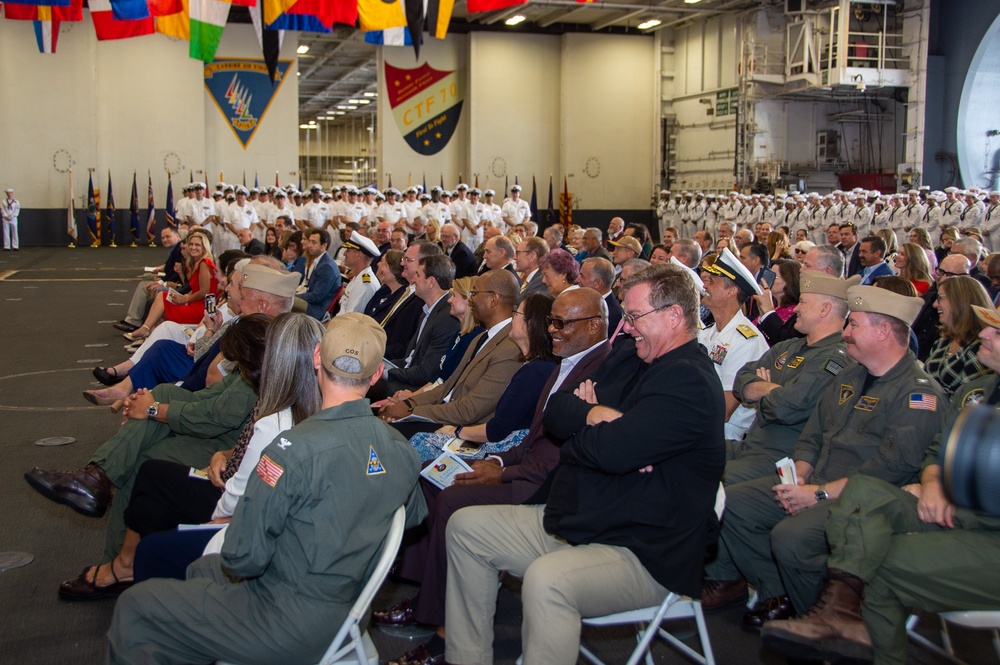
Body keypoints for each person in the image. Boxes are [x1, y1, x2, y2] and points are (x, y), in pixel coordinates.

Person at [442, 264, 725, 665]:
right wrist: (596, 419)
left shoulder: (689, 381)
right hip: (589, 514)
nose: (625, 328)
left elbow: (607, 453)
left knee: (547, 582)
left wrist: (596, 429)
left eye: (633, 317)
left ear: (674, 316)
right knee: (467, 528)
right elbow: (558, 416)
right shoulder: (630, 354)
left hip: (645, 548)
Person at [106, 313, 427, 665]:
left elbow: (243, 557)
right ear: (378, 372)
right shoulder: (401, 449)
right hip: (350, 610)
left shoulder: (290, 450)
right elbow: (408, 518)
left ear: (317, 357)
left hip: (285, 617)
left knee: (136, 607)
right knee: (200, 573)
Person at [378, 289, 609, 665]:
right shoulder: (559, 364)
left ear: (595, 324)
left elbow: (551, 452)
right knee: (441, 479)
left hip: (549, 487)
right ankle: (428, 599)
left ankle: (437, 618)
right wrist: (500, 464)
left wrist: (500, 469)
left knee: (452, 495)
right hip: (525, 465)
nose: (554, 330)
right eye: (551, 321)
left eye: (562, 323)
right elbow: (533, 438)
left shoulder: (591, 369)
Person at [762, 305, 1000, 664]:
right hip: (951, 506)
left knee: (872, 560)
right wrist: (933, 480)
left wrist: (955, 488)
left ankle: (851, 629)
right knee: (863, 492)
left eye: (997, 332)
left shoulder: (922, 390)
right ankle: (838, 618)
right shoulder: (977, 391)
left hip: (988, 529)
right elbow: (938, 450)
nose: (982, 334)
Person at [702, 286, 947, 632]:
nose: (845, 332)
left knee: (791, 537)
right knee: (736, 504)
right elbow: (813, 434)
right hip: (815, 481)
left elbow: (890, 469)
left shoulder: (919, 394)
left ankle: (822, 622)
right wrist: (800, 475)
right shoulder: (852, 374)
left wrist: (819, 493)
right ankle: (783, 595)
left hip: (860, 500)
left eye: (854, 325)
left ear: (883, 332)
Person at [720, 271, 855, 486]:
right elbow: (741, 381)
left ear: (825, 309)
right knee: (682, 451)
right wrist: (774, 389)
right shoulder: (789, 346)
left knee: (702, 479)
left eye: (802, 302)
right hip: (749, 446)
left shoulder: (834, 360)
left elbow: (786, 408)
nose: (797, 309)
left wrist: (761, 391)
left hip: (780, 459)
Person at [378, 270, 522, 437]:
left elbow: (470, 410)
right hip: (444, 414)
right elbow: (449, 386)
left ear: (494, 299)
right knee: (380, 421)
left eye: (474, 293)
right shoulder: (482, 337)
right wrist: (409, 403)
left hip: (459, 428)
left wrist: (412, 412)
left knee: (384, 432)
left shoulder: (510, 348)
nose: (471, 300)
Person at [699, 248, 769, 440]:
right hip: (701, 422)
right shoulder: (707, 333)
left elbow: (724, 409)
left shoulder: (746, 341)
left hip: (724, 435)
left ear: (732, 291)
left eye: (712, 282)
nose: (705, 286)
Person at [382, 254, 461, 394]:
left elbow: (426, 373)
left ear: (431, 282)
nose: (412, 280)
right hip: (407, 378)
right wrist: (381, 367)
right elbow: (410, 359)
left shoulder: (447, 318)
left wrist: (387, 373)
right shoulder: (427, 311)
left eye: (417, 275)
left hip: (415, 390)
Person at [126, 232, 219, 340]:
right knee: (161, 305)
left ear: (204, 247)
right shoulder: (195, 263)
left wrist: (185, 299)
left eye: (197, 245)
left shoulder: (204, 263)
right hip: (196, 303)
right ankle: (149, 341)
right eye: (191, 244)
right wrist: (181, 298)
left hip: (202, 309)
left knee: (162, 298)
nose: (193, 247)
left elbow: (204, 292)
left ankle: (146, 330)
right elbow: (194, 289)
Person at [924, 275, 994, 396]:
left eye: (940, 298)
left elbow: (968, 401)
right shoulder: (944, 339)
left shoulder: (980, 348)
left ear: (960, 301)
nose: (935, 304)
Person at [113, 226, 185, 333]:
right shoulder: (175, 249)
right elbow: (172, 267)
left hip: (177, 285)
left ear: (177, 236)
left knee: (144, 286)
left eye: (168, 237)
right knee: (147, 278)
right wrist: (161, 271)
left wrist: (162, 282)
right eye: (163, 238)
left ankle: (134, 321)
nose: (165, 240)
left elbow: (178, 273)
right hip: (171, 280)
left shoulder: (180, 249)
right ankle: (137, 320)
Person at [365, 249, 424, 359]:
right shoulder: (385, 290)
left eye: (385, 264)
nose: (378, 264)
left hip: (384, 353)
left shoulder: (413, 298)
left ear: (394, 272)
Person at [294, 228, 342, 321]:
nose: (309, 245)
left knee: (287, 301)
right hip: (314, 304)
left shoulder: (326, 266)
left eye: (314, 242)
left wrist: (294, 296)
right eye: (310, 241)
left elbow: (317, 296)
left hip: (317, 309)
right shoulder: (320, 261)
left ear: (323, 245)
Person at [338, 229, 383, 315]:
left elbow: (350, 318)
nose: (344, 254)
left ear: (358, 255)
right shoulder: (358, 277)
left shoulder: (365, 284)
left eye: (348, 251)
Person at [577, 257, 623, 336]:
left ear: (598, 283)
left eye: (582, 276)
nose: (577, 279)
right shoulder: (583, 299)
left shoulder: (613, 315)